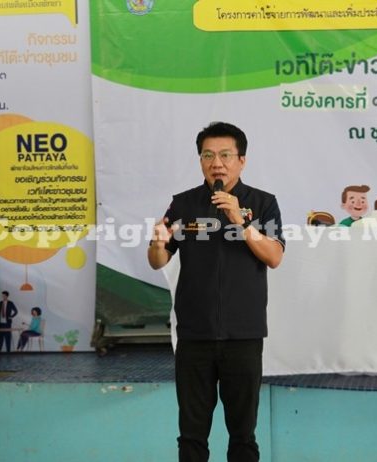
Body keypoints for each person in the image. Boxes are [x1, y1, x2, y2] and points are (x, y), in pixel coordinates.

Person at [148, 122, 285, 462]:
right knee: (191, 435)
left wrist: (242, 222)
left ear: (242, 160)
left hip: (243, 335)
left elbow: (274, 256)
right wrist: (157, 244)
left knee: (243, 435)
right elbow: (158, 260)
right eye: (208, 155)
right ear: (200, 161)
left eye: (225, 155)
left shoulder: (263, 203)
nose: (217, 163)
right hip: (195, 334)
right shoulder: (183, 204)